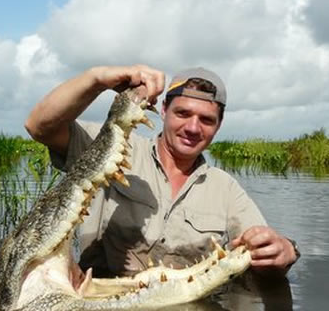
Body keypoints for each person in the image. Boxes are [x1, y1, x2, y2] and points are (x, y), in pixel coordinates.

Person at [25, 64, 300, 276]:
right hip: (103, 310)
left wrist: (286, 251)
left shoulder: (226, 189)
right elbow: (40, 126)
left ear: (219, 124)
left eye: (206, 119)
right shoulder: (113, 146)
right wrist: (97, 78)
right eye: (183, 113)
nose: (193, 128)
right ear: (165, 109)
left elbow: (261, 251)